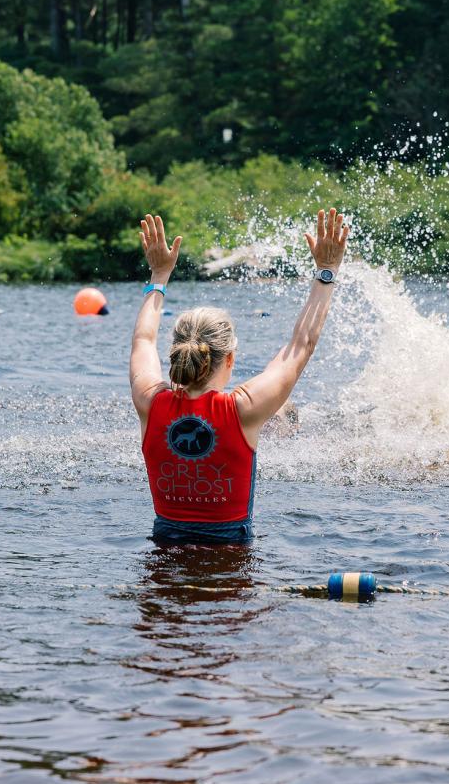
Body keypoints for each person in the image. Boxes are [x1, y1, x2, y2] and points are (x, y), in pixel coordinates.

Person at [129, 210, 349, 543]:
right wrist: (327, 271)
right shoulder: (242, 408)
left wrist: (159, 276)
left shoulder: (151, 401)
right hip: (232, 568)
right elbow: (302, 344)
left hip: (162, 567)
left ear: (175, 351)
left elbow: (143, 340)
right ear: (229, 358)